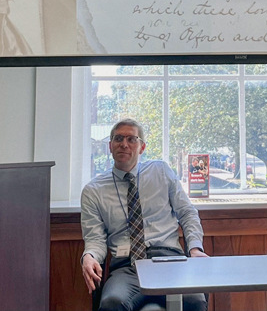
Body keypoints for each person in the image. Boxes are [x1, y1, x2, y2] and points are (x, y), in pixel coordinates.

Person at [80, 118, 208, 311]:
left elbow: (187, 213)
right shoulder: (93, 190)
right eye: (118, 138)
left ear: (142, 147)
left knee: (194, 301)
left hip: (170, 262)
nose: (124, 144)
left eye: (132, 139)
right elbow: (95, 239)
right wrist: (89, 256)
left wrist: (195, 249)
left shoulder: (161, 171)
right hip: (127, 267)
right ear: (110, 146)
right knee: (111, 303)